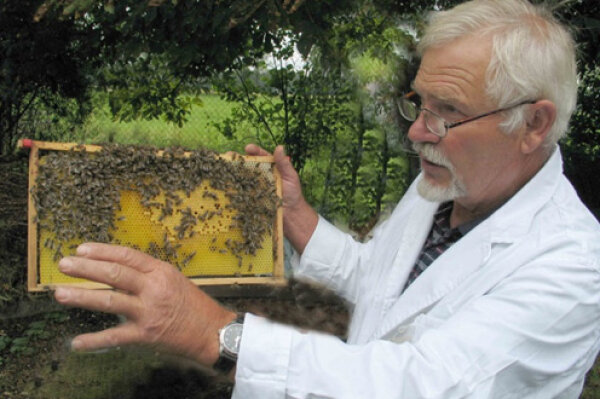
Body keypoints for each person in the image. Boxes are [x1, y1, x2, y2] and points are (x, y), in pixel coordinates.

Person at [54, 0, 600, 397]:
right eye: (420, 104)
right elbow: (382, 285)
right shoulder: (443, 183)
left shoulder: (575, 266)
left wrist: (216, 336)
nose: (416, 133)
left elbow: (424, 384)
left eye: (448, 113)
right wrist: (300, 220)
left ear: (533, 123)